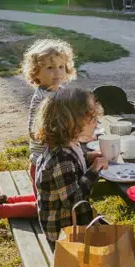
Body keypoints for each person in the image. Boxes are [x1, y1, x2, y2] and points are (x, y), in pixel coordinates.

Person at [0, 39, 78, 237]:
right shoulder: (42, 99)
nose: (57, 72)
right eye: (50, 67)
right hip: (44, 164)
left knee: (42, 197)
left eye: (61, 66)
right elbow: (35, 132)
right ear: (36, 74)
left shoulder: (62, 92)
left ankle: (4, 200)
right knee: (45, 206)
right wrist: (62, 135)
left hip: (57, 159)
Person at [34, 87, 108, 245]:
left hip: (67, 221)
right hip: (63, 232)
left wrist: (89, 157)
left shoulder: (67, 145)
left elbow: (75, 164)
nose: (96, 122)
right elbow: (74, 201)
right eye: (92, 118)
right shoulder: (61, 159)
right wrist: (94, 170)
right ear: (71, 123)